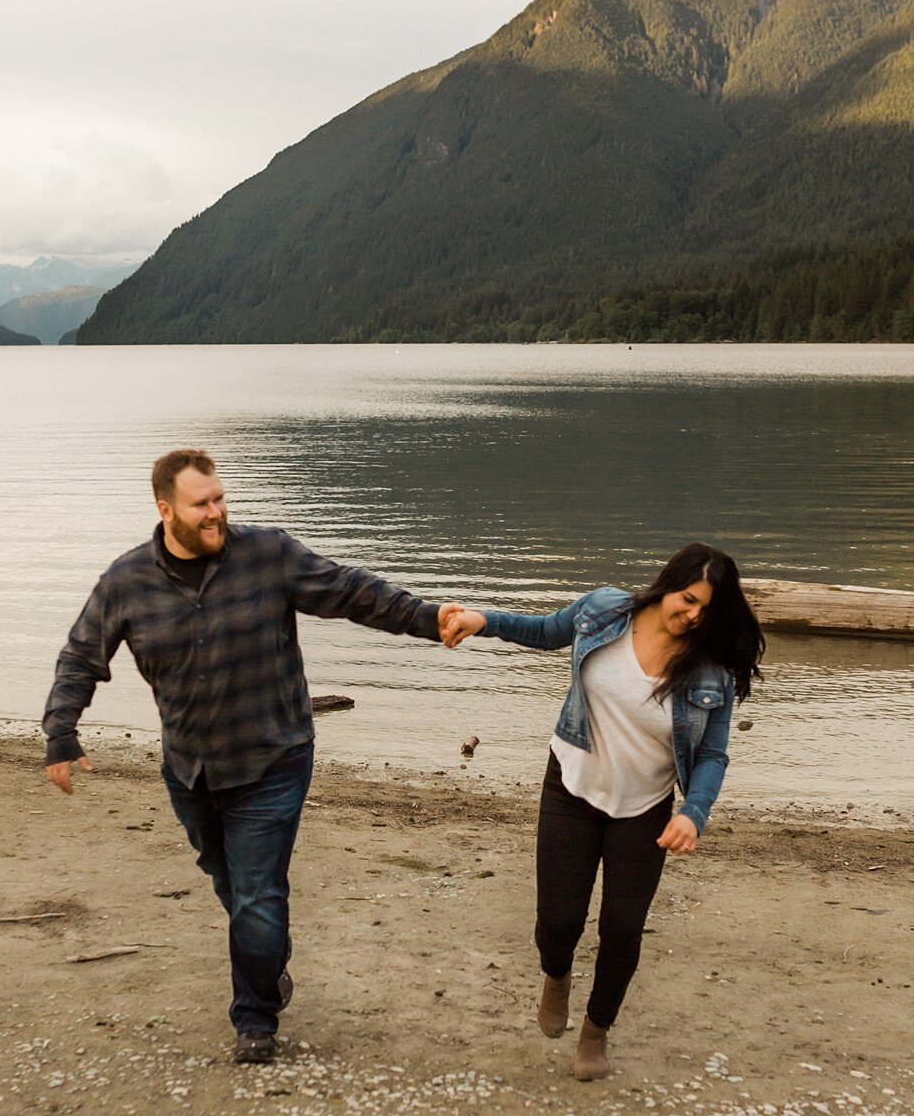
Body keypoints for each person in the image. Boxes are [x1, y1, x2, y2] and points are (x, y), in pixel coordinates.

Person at [43, 448, 458, 1065]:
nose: (216, 512)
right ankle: (269, 966)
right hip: (190, 768)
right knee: (233, 886)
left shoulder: (268, 555)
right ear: (165, 510)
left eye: (219, 499)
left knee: (259, 893)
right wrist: (61, 734)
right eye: (200, 504)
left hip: (274, 758)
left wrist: (430, 617)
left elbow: (352, 593)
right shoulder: (125, 582)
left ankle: (255, 1020)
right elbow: (82, 656)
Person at [439, 544, 763, 1080]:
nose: (693, 616)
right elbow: (545, 631)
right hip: (571, 785)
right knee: (559, 920)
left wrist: (694, 813)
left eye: (707, 609)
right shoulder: (604, 610)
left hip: (646, 811)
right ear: (666, 586)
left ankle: (596, 1031)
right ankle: (557, 973)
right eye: (687, 600)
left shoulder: (712, 670)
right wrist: (483, 620)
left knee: (622, 928)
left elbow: (712, 753)